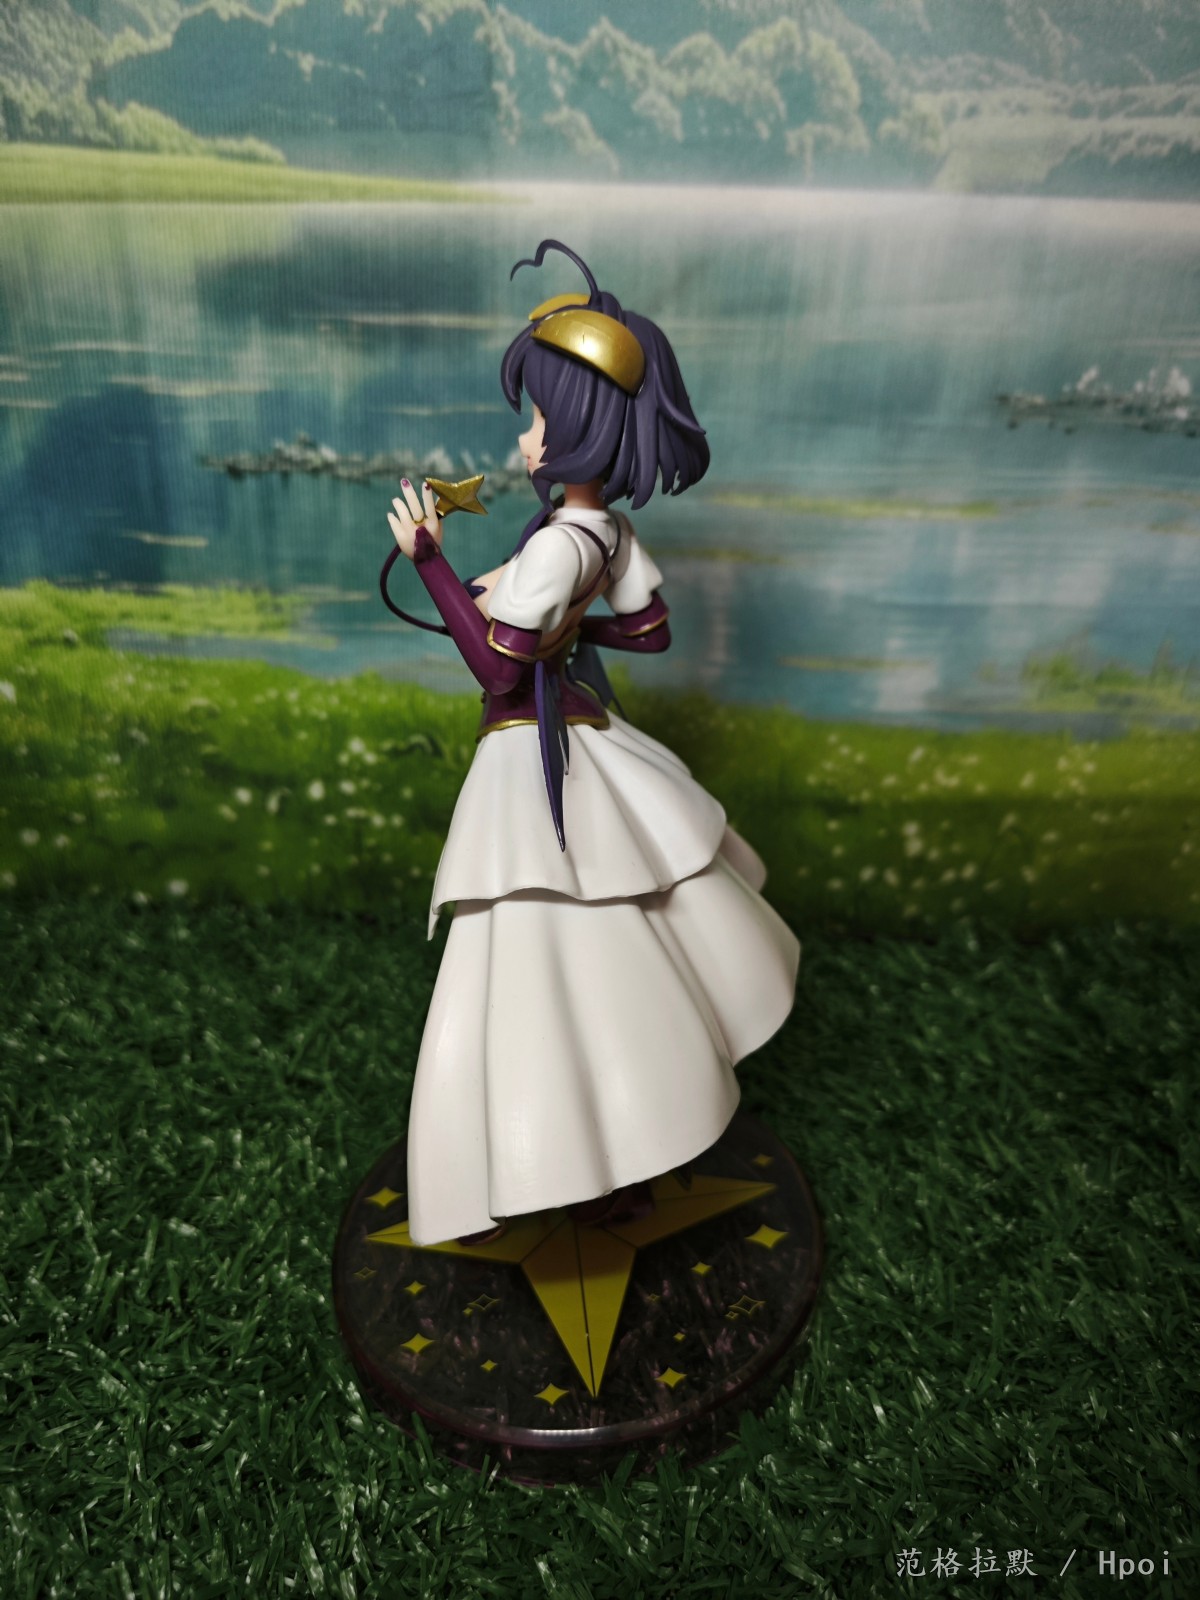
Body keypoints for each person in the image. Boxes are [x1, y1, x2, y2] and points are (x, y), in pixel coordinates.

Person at [384, 240, 799, 1247]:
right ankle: (619, 1141)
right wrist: (565, 636)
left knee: (534, 958)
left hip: (533, 758)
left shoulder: (561, 545)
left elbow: (496, 670)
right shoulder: (607, 535)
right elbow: (648, 630)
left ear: (583, 430)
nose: (526, 438)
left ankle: (573, 1155)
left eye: (540, 419)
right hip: (581, 732)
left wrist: (432, 562)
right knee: (607, 952)